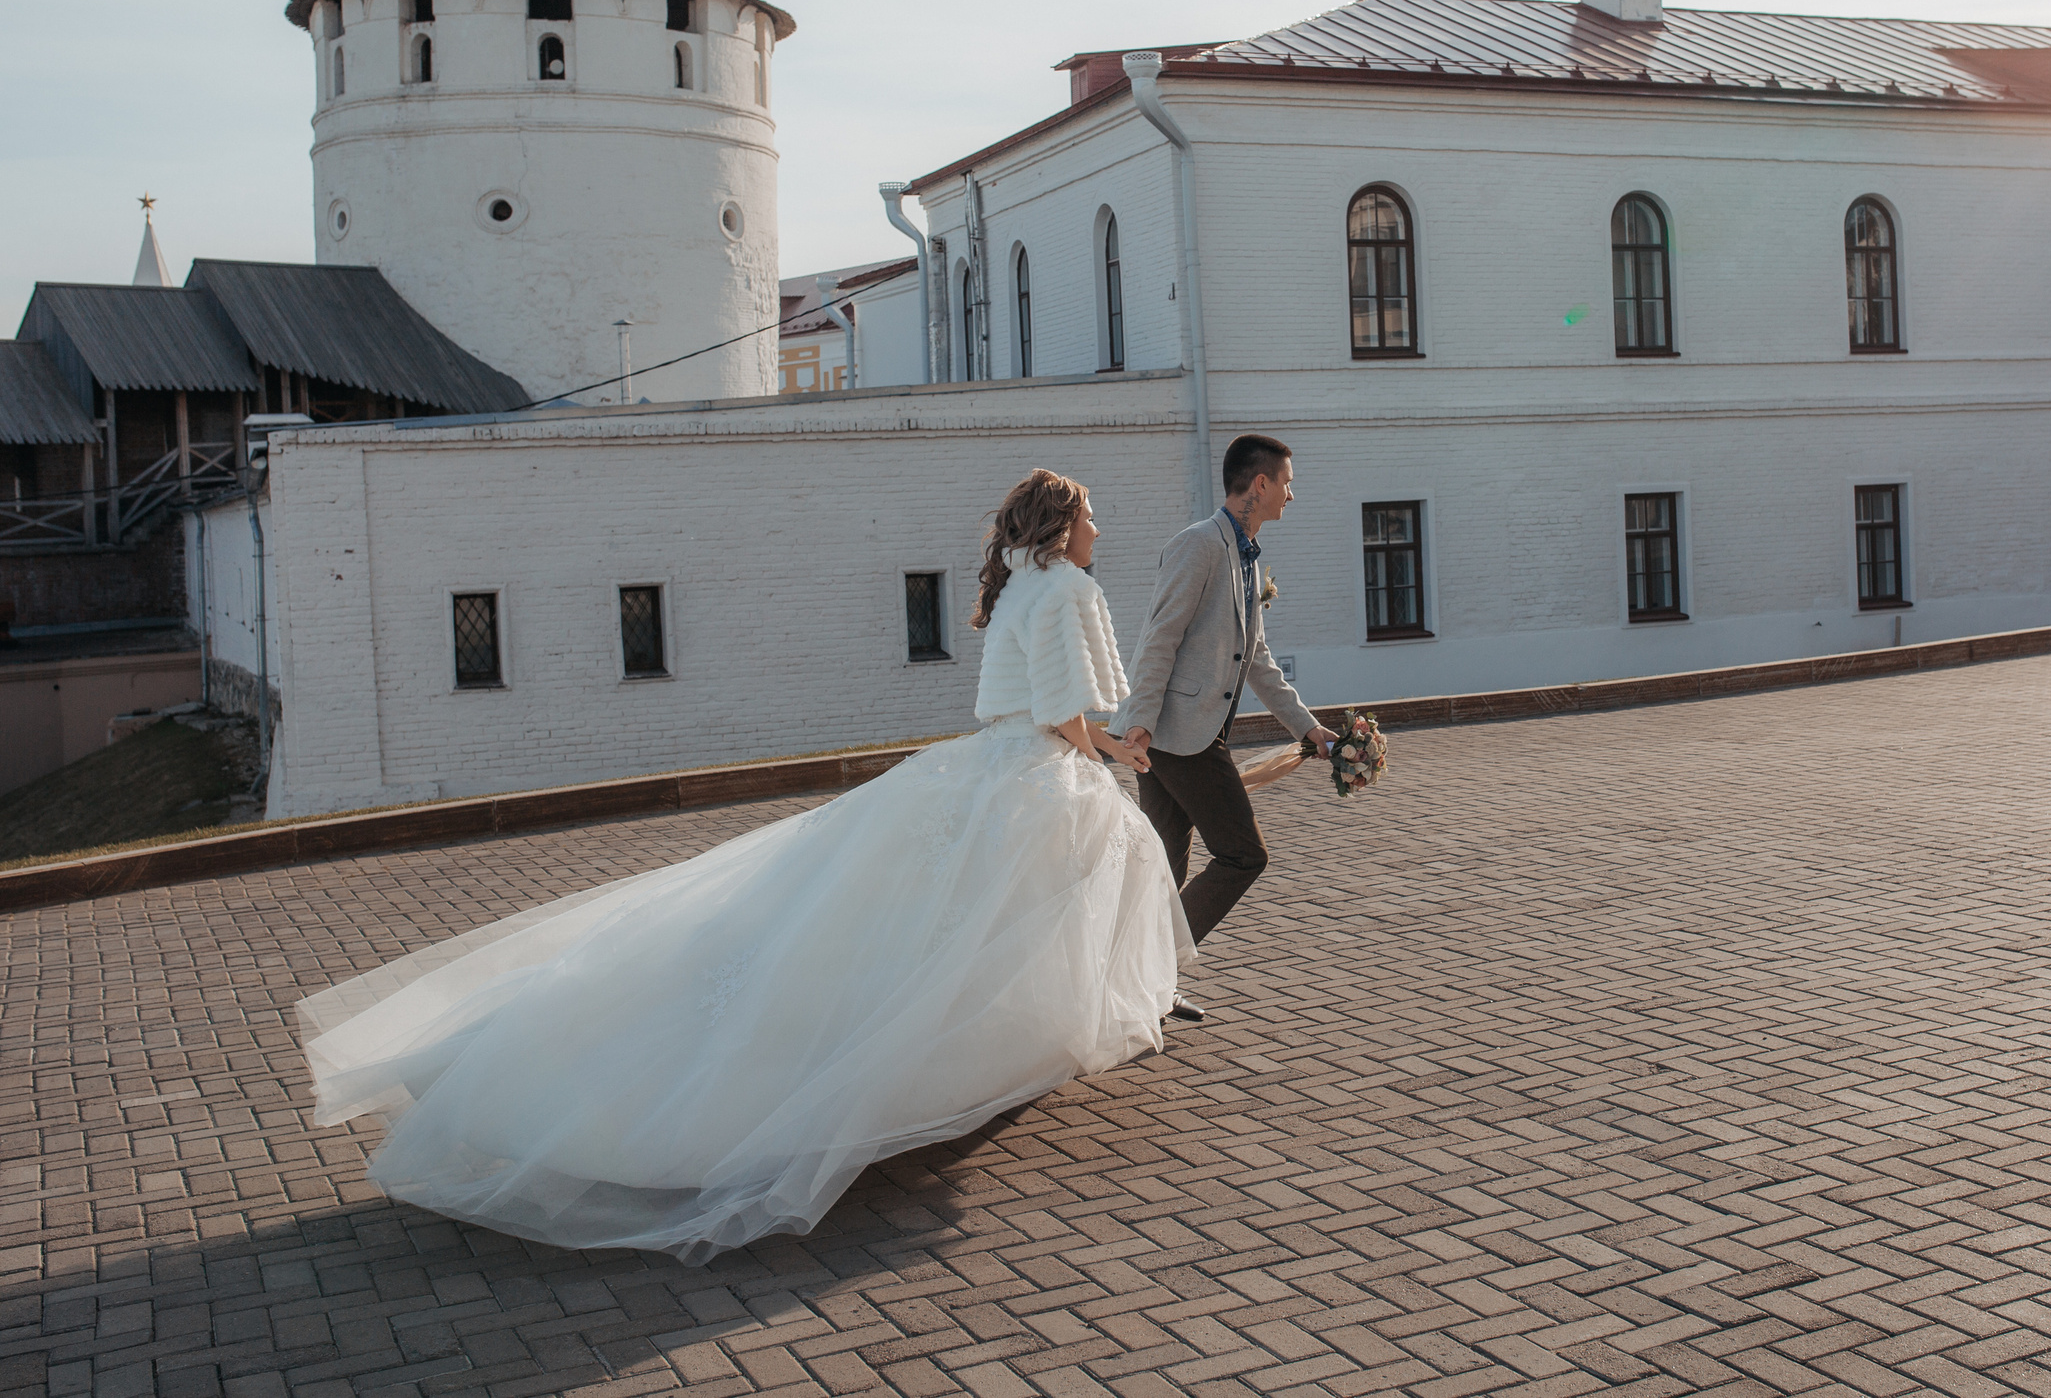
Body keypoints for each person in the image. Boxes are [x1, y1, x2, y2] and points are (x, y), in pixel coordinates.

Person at [296, 470, 1186, 1266]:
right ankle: (974, 1060)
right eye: (1091, 516)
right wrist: (1113, 750)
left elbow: (1033, 703)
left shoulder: (1021, 583)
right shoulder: (1066, 586)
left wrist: (1098, 744)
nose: (1098, 529)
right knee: (1029, 906)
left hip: (985, 760)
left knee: (905, 924)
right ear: (1061, 527)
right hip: (1033, 773)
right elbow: (1062, 711)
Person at [1113, 434, 1336, 1021]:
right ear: (1260, 484)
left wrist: (1309, 729)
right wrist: (1139, 723)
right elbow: (1159, 637)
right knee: (1242, 854)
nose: (1291, 494)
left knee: (1165, 863)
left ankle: (1141, 989)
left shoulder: (1248, 556)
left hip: (1188, 732)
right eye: (1286, 482)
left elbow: (1257, 658)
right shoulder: (1198, 545)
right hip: (1176, 734)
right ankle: (1152, 969)